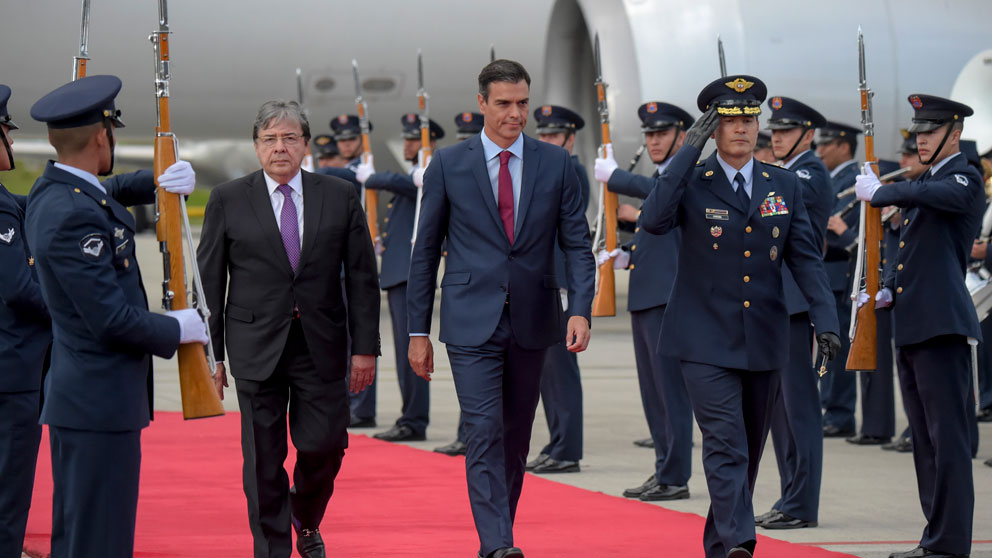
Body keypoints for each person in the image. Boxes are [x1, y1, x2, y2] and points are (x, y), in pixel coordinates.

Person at [637, 75, 841, 558]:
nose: (742, 129)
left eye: (750, 119)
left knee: (746, 450)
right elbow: (653, 219)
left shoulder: (782, 184)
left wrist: (827, 321)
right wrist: (689, 148)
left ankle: (720, 542)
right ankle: (740, 543)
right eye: (729, 120)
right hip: (703, 338)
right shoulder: (691, 180)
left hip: (763, 338)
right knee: (726, 443)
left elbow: (806, 260)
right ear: (713, 128)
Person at [406, 59, 594, 558]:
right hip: (471, 322)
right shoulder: (448, 164)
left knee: (515, 438)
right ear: (482, 104)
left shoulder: (557, 165)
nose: (516, 114)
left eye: (523, 103)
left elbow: (577, 245)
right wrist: (415, 332)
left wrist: (581, 308)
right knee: (484, 429)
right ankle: (497, 545)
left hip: (534, 320)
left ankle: (497, 539)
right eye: (505, 104)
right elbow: (425, 251)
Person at [24, 75, 204, 558]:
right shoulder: (72, 216)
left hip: (85, 401)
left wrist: (157, 182)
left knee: (82, 533)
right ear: (104, 136)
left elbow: (107, 191)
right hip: (97, 404)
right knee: (100, 538)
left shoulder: (54, 192)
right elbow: (109, 319)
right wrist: (177, 329)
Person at [197, 99, 380, 558]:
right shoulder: (227, 199)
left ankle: (305, 515)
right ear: (257, 147)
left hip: (321, 345)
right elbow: (209, 282)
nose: (280, 147)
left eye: (290, 138)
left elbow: (361, 278)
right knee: (262, 459)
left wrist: (366, 348)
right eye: (270, 139)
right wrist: (210, 355)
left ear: (305, 144)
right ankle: (272, 549)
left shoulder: (338, 195)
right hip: (255, 346)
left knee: (325, 446)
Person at [856, 94, 982, 558]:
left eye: (931, 132)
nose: (922, 139)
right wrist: (888, 286)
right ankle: (935, 538)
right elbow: (912, 251)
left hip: (941, 327)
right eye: (918, 133)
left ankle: (949, 543)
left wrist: (883, 191)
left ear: (956, 134)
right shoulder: (925, 180)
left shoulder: (963, 178)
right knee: (926, 442)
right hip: (914, 324)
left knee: (947, 441)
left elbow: (938, 197)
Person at [594, 100, 695, 500]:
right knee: (653, 393)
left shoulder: (685, 176)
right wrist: (629, 255)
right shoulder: (661, 176)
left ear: (682, 138)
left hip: (668, 296)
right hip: (647, 292)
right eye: (649, 135)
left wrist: (618, 177)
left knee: (671, 392)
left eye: (662, 134)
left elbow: (665, 197)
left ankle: (675, 475)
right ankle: (664, 468)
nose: (653, 141)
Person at [752, 96, 833, 531]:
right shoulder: (783, 174)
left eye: (786, 131)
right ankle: (790, 496)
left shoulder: (808, 173)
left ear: (808, 134)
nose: (777, 137)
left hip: (797, 301)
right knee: (781, 413)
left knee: (799, 410)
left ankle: (802, 502)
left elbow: (770, 213)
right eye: (775, 131)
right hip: (777, 301)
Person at [354, 114, 445, 442]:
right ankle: (410, 415)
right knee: (404, 352)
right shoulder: (414, 174)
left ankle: (414, 419)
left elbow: (409, 186)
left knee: (413, 350)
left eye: (413, 139)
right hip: (396, 271)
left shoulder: (430, 172)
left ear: (429, 143)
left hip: (408, 273)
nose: (406, 144)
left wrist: (374, 177)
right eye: (405, 139)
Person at [0, 83, 51, 558]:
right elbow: (19, 289)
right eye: (5, 132)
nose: (12, 142)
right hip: (11, 371)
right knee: (9, 490)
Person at [526, 104, 590, 474]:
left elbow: (568, 233)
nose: (548, 140)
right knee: (548, 371)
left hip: (560, 281)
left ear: (570, 138)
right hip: (544, 281)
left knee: (561, 370)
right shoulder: (549, 168)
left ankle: (567, 449)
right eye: (544, 134)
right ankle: (557, 443)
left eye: (554, 135)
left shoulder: (572, 169)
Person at [317, 114, 378, 428]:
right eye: (342, 141)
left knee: (361, 342)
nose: (345, 145)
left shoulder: (360, 172)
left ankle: (362, 406)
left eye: (350, 139)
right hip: (334, 267)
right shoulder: (342, 175)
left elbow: (344, 177)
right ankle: (346, 402)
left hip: (355, 266)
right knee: (338, 342)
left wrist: (315, 170)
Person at [433, 111, 486, 457]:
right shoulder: (451, 167)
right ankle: (467, 434)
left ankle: (564, 448)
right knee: (474, 388)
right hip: (467, 292)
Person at [817, 121, 862, 438]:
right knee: (826, 351)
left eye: (826, 145)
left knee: (839, 350)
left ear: (844, 146)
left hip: (839, 274)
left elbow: (842, 228)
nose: (819, 150)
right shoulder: (833, 179)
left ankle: (841, 413)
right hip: (825, 275)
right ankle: (830, 406)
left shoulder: (852, 179)